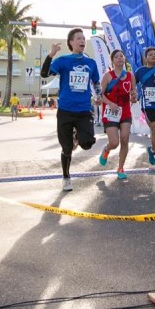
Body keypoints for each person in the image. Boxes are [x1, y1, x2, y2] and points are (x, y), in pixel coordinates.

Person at [41, 28, 101, 191]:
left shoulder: (91, 63)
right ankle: (66, 176)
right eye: (79, 38)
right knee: (67, 149)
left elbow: (95, 82)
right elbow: (44, 74)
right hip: (66, 110)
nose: (82, 41)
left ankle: (78, 136)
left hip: (83, 110)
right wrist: (51, 55)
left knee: (87, 143)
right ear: (71, 42)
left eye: (84, 38)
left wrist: (99, 95)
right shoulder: (63, 61)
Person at [97, 49, 137, 179]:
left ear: (124, 59)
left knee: (125, 139)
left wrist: (134, 97)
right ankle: (107, 149)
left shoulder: (131, 76)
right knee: (115, 142)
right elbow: (100, 94)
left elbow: (133, 92)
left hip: (125, 111)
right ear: (112, 60)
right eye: (116, 57)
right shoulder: (108, 76)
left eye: (121, 56)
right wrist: (110, 103)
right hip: (110, 112)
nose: (120, 58)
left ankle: (120, 168)